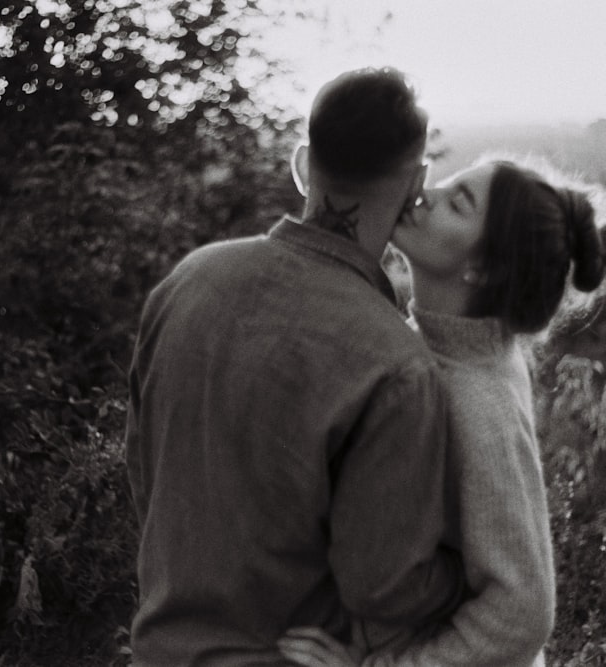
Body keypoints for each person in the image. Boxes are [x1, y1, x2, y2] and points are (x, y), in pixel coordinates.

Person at [124, 67, 467, 666]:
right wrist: (466, 571)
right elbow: (383, 586)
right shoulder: (395, 364)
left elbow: (143, 476)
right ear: (417, 183)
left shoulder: (188, 282)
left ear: (304, 164)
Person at [278, 155, 606, 667]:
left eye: (455, 203)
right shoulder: (468, 346)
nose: (426, 195)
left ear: (482, 267)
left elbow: (523, 611)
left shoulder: (475, 402)